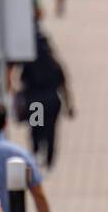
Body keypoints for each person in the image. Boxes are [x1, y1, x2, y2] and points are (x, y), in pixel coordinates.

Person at [18, 30, 74, 168]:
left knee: (36, 129)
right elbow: (64, 86)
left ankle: (36, 155)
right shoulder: (54, 64)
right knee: (51, 130)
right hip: (52, 101)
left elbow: (21, 83)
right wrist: (69, 105)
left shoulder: (29, 64)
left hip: (36, 103)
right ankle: (49, 159)